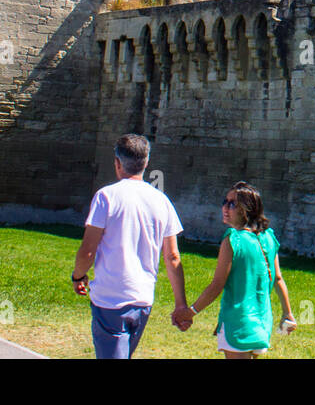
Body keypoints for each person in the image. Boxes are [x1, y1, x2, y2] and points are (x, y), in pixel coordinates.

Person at [71, 134, 190, 358]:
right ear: (146, 163)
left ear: (117, 163)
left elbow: (88, 250)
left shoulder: (106, 197)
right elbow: (173, 257)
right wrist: (180, 304)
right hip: (143, 298)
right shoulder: (161, 201)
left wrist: (78, 276)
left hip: (111, 299)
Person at [175, 181, 295, 358]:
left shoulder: (233, 239)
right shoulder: (268, 237)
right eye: (225, 202)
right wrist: (288, 313)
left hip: (237, 323)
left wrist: (190, 311)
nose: (225, 207)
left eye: (232, 204)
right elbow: (277, 278)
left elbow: (217, 285)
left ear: (246, 209)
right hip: (262, 323)